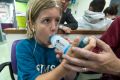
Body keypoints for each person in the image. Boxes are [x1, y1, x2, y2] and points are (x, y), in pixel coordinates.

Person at [16, 0, 77, 80]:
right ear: (32, 24)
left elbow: (70, 78)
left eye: (57, 20)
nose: (54, 28)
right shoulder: (24, 47)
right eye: (47, 20)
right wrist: (64, 67)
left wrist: (69, 61)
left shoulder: (60, 47)